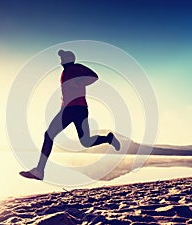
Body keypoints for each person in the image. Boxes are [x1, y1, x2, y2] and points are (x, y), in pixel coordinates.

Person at [20, 50, 120, 180]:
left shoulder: (75, 68)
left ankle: (39, 171)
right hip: (73, 109)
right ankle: (108, 139)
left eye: (62, 57)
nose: (60, 59)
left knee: (49, 135)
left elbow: (94, 76)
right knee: (86, 141)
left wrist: (80, 82)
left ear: (68, 59)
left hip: (74, 109)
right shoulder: (66, 71)